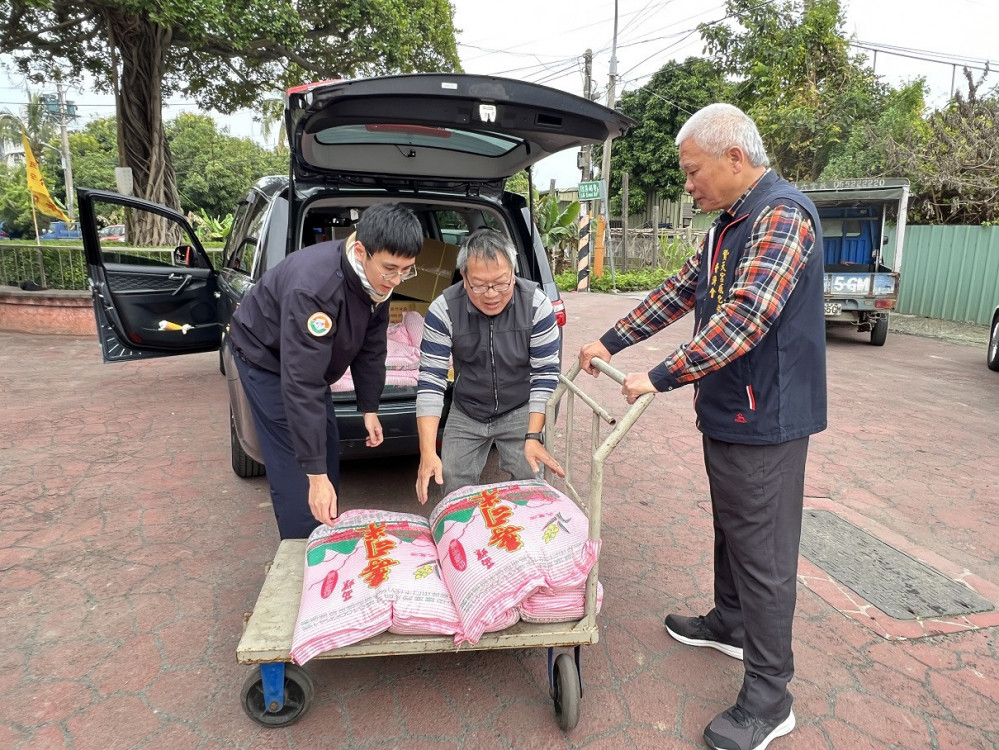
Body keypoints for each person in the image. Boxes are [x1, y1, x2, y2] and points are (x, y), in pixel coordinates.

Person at [578, 103, 826, 750]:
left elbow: (746, 318)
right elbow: (676, 292)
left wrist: (658, 376)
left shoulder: (780, 217)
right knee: (731, 526)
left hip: (765, 418)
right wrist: (609, 340)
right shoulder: (726, 225)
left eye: (692, 171)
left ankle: (769, 699)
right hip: (727, 409)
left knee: (764, 557)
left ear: (733, 159)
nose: (686, 183)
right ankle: (728, 622)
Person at [228, 203, 423, 539]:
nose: (397, 279)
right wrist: (315, 477)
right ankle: (302, 552)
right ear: (361, 251)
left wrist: (369, 407)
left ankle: (325, 527)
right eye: (391, 269)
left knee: (326, 440)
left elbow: (372, 345)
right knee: (297, 462)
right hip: (267, 358)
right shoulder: (314, 288)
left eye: (407, 270)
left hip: (307, 364)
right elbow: (301, 384)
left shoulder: (380, 278)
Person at [415, 228, 564, 504]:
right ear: (464, 277)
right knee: (452, 483)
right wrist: (426, 452)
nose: (492, 294)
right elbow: (431, 381)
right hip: (467, 409)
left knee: (530, 480)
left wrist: (533, 435)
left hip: (519, 407)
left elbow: (545, 376)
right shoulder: (443, 309)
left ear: (513, 272)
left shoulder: (537, 304)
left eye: (501, 283)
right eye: (480, 285)